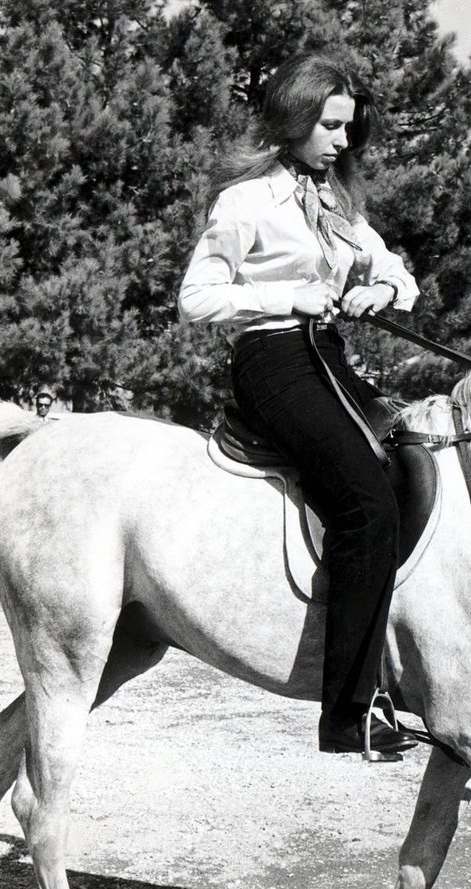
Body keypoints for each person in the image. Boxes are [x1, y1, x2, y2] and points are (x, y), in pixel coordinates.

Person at [178, 51, 420, 759]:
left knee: (413, 464)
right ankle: (351, 711)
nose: (344, 142)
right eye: (332, 126)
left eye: (348, 128)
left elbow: (397, 272)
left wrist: (383, 291)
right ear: (295, 119)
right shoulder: (247, 201)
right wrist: (286, 295)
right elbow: (197, 298)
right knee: (364, 503)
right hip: (271, 358)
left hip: (328, 354)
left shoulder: (340, 201)